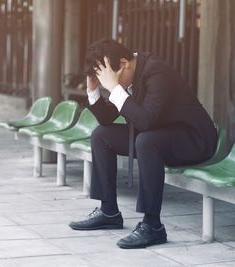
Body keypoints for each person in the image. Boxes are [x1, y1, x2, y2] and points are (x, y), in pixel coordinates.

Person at [68, 39, 217, 249]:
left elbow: (147, 121)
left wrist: (115, 88)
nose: (109, 85)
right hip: (162, 135)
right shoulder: (128, 75)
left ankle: (152, 226)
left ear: (124, 63)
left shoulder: (157, 73)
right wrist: (94, 90)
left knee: (146, 141)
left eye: (109, 79)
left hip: (193, 140)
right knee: (101, 135)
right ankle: (109, 211)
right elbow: (106, 118)